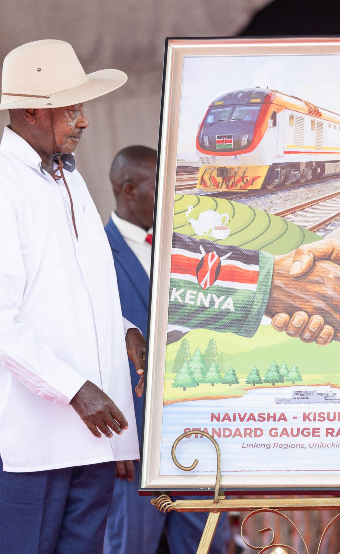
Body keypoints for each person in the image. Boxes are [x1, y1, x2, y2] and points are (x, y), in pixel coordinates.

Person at [0, 39, 147, 554]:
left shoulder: (68, 181)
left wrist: (123, 329)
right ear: (33, 109)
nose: (84, 121)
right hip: (21, 442)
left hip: (85, 438)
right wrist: (77, 389)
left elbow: (73, 293)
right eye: (73, 109)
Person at [102, 146, 229, 554]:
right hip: (131, 440)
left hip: (198, 432)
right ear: (129, 190)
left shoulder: (192, 248)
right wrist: (116, 441)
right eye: (164, 189)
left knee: (206, 544)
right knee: (129, 546)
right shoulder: (93, 255)